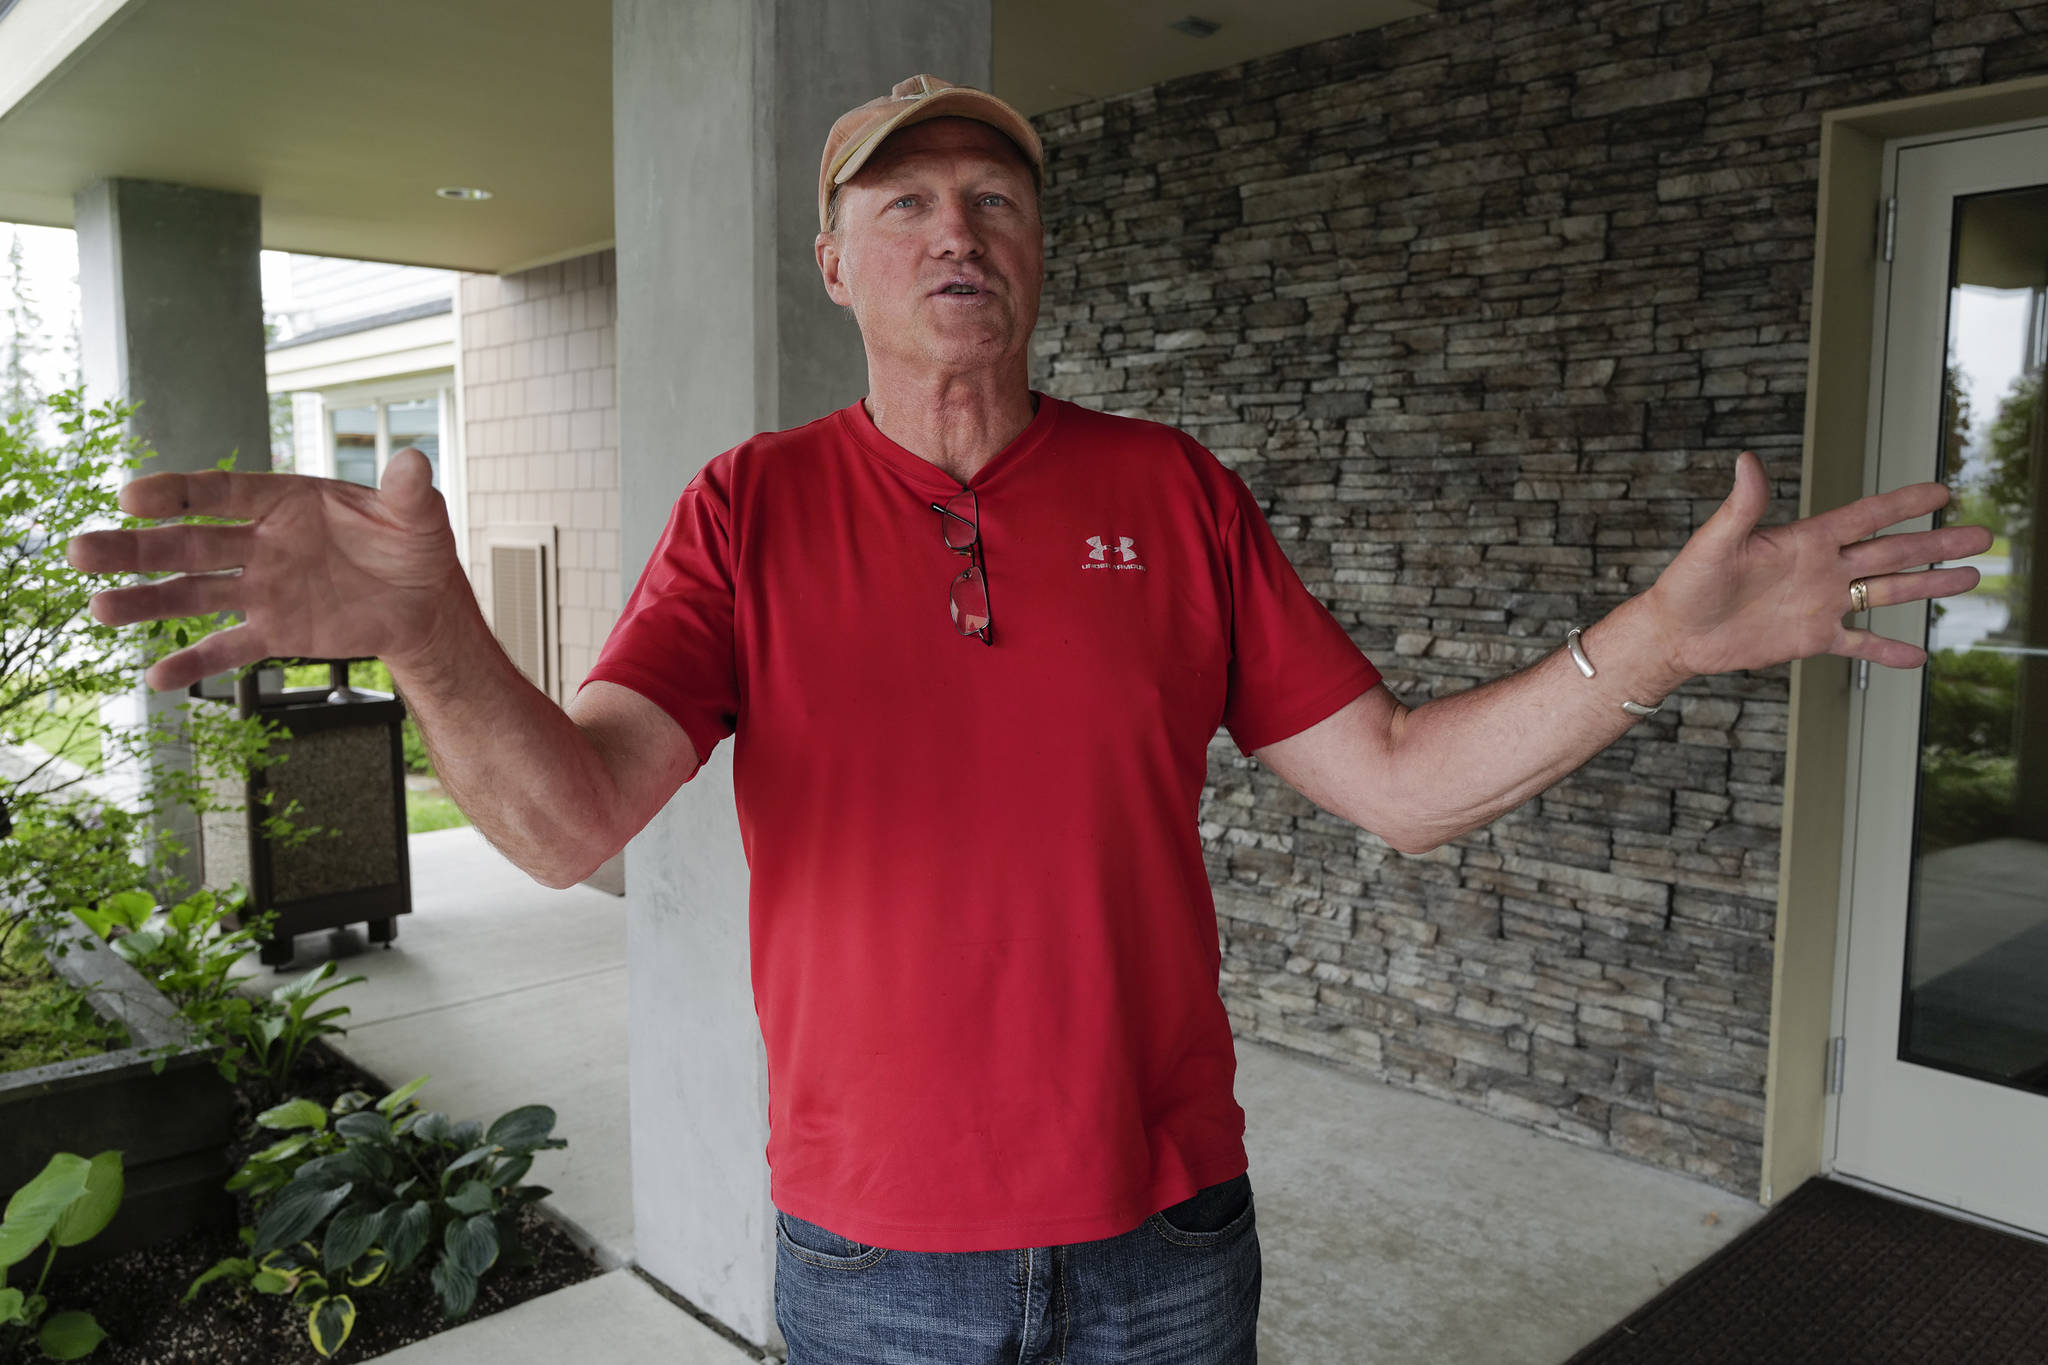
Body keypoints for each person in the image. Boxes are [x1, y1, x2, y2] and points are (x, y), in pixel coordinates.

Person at [68, 74, 1990, 1365]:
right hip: (873, 1257)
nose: (952, 226)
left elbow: (1400, 786)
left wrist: (1656, 637)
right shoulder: (751, 508)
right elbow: (573, 822)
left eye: (995, 195)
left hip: (1169, 1231)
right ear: (836, 265)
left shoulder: (1173, 490)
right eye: (900, 201)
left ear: (1041, 252)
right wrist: (432, 637)